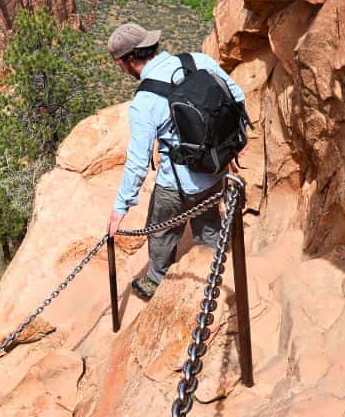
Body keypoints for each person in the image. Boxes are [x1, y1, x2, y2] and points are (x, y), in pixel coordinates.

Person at [105, 23, 246, 301]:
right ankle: (212, 266)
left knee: (160, 230)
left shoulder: (144, 101)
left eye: (118, 62)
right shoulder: (197, 61)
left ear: (128, 60)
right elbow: (236, 97)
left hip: (179, 185)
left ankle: (156, 280)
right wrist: (238, 140)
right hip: (217, 167)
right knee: (208, 217)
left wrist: (120, 208)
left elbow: (138, 162)